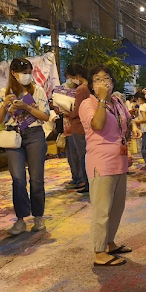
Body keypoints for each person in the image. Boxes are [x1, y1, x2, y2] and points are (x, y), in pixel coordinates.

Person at [79, 66, 135, 266]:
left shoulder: (118, 101)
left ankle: (109, 242)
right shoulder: (88, 104)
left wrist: (129, 139)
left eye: (106, 78)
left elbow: (126, 123)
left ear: (112, 81)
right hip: (101, 162)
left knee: (117, 207)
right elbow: (98, 125)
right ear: (91, 85)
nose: (102, 82)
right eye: (97, 79)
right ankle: (99, 252)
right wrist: (102, 100)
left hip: (119, 160)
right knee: (102, 209)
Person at [0, 58, 51, 236]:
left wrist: (26, 106)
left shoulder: (37, 90)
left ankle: (38, 216)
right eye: (23, 73)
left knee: (36, 179)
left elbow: (45, 116)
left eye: (29, 73)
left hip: (34, 135)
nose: (27, 76)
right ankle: (20, 219)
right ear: (13, 73)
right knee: (18, 178)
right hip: (13, 136)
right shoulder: (4, 93)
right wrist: (5, 106)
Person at [65, 63, 90, 194]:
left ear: (77, 76)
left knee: (83, 156)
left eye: (70, 77)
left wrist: (66, 112)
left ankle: (87, 183)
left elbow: (77, 111)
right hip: (85, 126)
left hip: (79, 126)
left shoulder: (81, 89)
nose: (70, 80)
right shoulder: (89, 87)